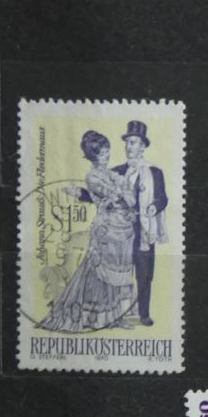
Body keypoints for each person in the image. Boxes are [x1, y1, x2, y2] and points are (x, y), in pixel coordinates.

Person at [45, 130, 139, 332]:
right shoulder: (93, 177)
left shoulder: (110, 173)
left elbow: (129, 198)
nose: (107, 155)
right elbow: (117, 197)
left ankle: (116, 317)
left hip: (123, 230)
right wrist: (123, 192)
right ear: (93, 156)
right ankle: (96, 318)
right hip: (106, 230)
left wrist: (125, 193)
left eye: (107, 150)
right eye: (102, 153)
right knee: (101, 274)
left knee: (119, 274)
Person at [117, 120, 168, 327]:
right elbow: (100, 194)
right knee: (119, 273)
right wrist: (80, 194)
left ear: (143, 146)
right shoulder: (117, 171)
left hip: (144, 231)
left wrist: (154, 207)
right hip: (121, 230)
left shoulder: (155, 172)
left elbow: (163, 198)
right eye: (127, 142)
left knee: (145, 274)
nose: (128, 146)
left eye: (133, 142)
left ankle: (144, 314)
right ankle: (118, 313)